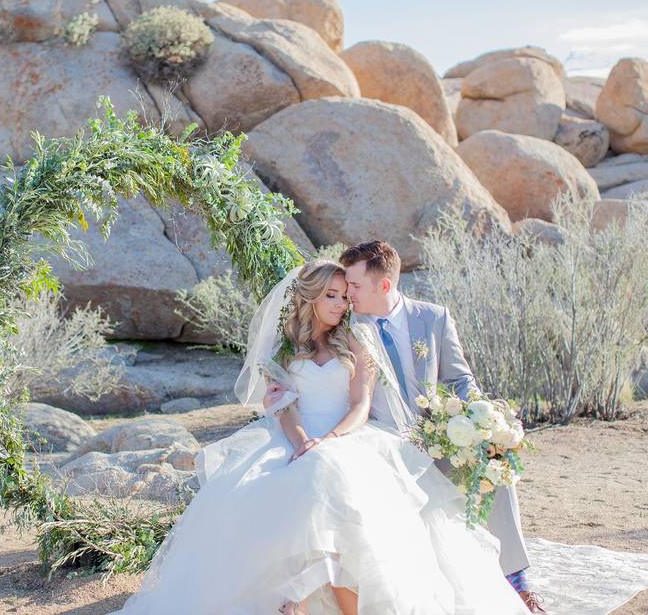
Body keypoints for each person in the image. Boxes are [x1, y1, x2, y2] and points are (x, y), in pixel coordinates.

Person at [111, 260, 530, 615]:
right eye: (331, 295)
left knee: (331, 477)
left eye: (345, 295)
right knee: (296, 478)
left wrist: (328, 439)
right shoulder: (284, 349)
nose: (341, 303)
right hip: (294, 439)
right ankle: (298, 596)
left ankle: (311, 600)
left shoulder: (355, 340)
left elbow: (361, 404)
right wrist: (301, 443)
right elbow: (283, 408)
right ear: (310, 297)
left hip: (347, 436)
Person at [340, 239, 545, 614]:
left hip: (442, 437)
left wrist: (484, 421)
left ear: (384, 285)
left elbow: (460, 379)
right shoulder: (347, 327)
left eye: (355, 285)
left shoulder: (433, 318)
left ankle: (517, 581)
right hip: (383, 445)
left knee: (495, 466)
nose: (348, 293)